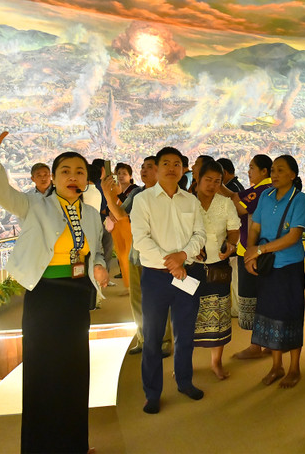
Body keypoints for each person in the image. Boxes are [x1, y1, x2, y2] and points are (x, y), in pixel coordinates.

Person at [0, 114, 108, 453]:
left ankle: (75, 444)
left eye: (80, 172)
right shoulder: (35, 205)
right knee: (43, 374)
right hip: (45, 297)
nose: (73, 176)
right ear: (54, 178)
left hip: (77, 299)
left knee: (75, 372)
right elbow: (1, 191)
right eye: (65, 171)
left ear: (87, 179)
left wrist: (101, 268)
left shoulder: (91, 214)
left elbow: (96, 254)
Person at [130, 146, 207, 414]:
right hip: (155, 277)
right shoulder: (143, 200)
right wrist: (171, 262)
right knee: (152, 338)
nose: (172, 168)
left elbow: (200, 234)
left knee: (185, 335)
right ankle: (152, 393)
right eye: (166, 163)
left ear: (183, 168)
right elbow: (141, 240)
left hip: (187, 272)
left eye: (177, 163)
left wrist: (184, 256)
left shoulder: (191, 200)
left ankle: (185, 382)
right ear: (156, 168)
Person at [244, 155, 305, 388]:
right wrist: (250, 253)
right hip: (267, 267)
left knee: (290, 316)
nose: (274, 174)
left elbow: (294, 237)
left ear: (293, 175)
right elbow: (255, 227)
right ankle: (276, 366)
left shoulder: (300, 199)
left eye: (280, 170)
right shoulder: (266, 195)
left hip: (288, 268)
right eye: (273, 169)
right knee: (269, 315)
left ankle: (294, 368)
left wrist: (258, 250)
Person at [101, 158, 172, 357]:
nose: (144, 170)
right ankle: (143, 338)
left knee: (159, 300)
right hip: (137, 255)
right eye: (142, 167)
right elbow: (121, 215)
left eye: (150, 167)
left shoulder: (168, 193)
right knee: (138, 299)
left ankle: (165, 340)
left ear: (160, 170)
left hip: (159, 258)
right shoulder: (137, 193)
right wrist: (108, 195)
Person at [192, 160, 241, 380]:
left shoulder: (225, 203)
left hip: (217, 267)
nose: (212, 185)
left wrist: (230, 245)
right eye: (208, 180)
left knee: (219, 316)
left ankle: (216, 363)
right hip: (190, 267)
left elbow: (234, 230)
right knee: (187, 316)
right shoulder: (186, 201)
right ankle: (185, 363)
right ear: (197, 179)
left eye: (217, 181)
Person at [228, 154, 273, 360]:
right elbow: (237, 198)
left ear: (264, 171)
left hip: (252, 250)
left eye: (252, 167)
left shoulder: (263, 189)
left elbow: (239, 207)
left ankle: (257, 345)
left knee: (256, 300)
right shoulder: (260, 189)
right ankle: (266, 343)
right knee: (262, 299)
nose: (249, 171)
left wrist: (230, 194)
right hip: (257, 250)